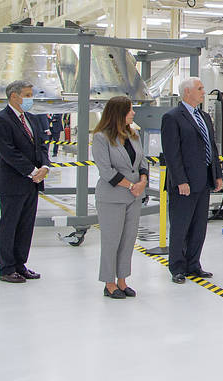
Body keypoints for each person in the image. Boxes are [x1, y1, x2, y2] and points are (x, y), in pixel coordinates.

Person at [161, 77, 223, 284]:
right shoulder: (172, 117)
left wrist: (217, 175)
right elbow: (172, 153)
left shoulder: (204, 117)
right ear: (187, 92)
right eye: (200, 88)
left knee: (198, 226)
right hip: (184, 183)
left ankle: (193, 264)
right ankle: (177, 267)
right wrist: (180, 180)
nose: (203, 92)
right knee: (180, 226)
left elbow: (212, 148)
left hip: (203, 180)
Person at [0, 80, 49, 283]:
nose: (30, 98)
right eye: (27, 94)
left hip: (32, 183)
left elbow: (41, 146)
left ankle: (20, 265)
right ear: (14, 96)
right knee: (10, 225)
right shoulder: (1, 120)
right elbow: (8, 152)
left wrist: (45, 167)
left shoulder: (32, 119)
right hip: (13, 184)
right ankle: (7, 268)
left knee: (26, 225)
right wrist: (32, 171)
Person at [92, 97, 146, 299]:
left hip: (134, 197)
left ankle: (122, 280)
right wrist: (132, 185)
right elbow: (106, 170)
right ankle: (109, 283)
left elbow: (143, 161)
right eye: (130, 110)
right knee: (111, 241)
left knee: (128, 240)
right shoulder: (101, 137)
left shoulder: (134, 135)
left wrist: (142, 181)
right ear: (118, 113)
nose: (133, 113)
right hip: (112, 197)